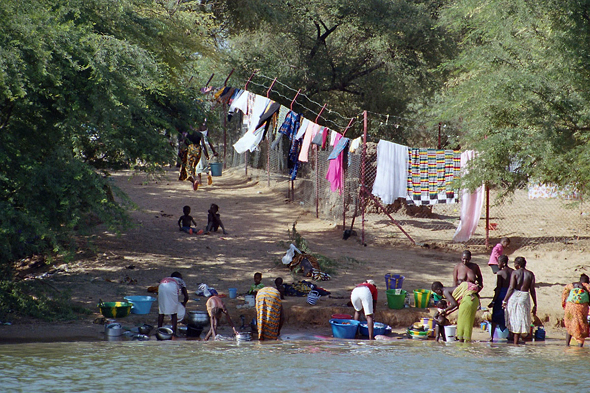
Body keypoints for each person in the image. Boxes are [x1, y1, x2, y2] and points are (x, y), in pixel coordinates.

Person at [503, 256, 537, 345]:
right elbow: (532, 290)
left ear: (517, 265)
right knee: (522, 319)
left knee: (514, 319)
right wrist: (535, 304)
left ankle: (515, 343)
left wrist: (505, 300)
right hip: (525, 296)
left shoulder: (515, 273)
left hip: (514, 296)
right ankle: (521, 342)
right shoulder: (530, 274)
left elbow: (511, 288)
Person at [488, 255, 513, 341]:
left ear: (503, 263)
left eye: (498, 262)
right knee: (509, 315)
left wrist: (493, 301)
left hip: (501, 295)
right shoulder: (513, 272)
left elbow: (498, 288)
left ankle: (491, 337)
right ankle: (510, 335)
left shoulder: (500, 273)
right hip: (511, 295)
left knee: (496, 316)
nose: (497, 264)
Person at [561, 274, 590, 347]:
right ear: (588, 281)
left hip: (570, 307)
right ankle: (580, 346)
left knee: (569, 325)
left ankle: (567, 345)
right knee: (581, 325)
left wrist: (564, 305)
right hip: (581, 308)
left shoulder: (570, 285)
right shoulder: (587, 287)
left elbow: (564, 295)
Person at [178, 126, 204, 190]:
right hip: (198, 150)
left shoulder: (188, 134)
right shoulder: (200, 134)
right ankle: (193, 184)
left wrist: (182, 152)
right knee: (193, 167)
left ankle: (194, 180)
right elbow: (203, 144)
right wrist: (206, 154)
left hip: (191, 149)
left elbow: (185, 143)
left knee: (188, 168)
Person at [194, 120, 218, 187]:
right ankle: (208, 175)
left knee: (198, 164)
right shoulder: (206, 129)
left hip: (199, 148)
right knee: (204, 163)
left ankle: (200, 181)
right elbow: (209, 141)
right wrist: (213, 151)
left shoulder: (197, 129)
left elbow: (202, 142)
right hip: (204, 147)